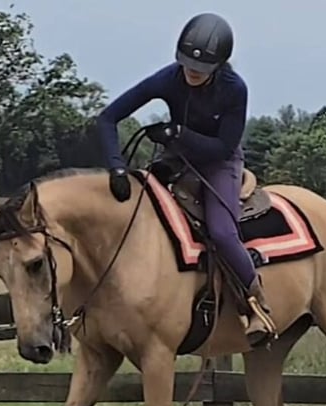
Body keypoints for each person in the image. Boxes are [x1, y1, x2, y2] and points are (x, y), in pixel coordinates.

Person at [97, 12, 274, 347]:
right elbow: (107, 118)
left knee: (222, 232)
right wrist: (117, 167)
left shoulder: (235, 89)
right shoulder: (168, 78)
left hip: (220, 162)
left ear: (218, 66)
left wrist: (179, 132)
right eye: (187, 64)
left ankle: (256, 305)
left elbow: (223, 146)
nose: (192, 72)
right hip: (177, 157)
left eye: (202, 68)